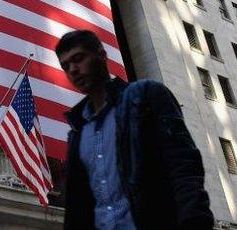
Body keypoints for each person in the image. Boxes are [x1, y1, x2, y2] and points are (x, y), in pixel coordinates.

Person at [56, 30, 214, 229]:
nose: (73, 70)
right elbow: (78, 208)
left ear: (101, 55)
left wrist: (194, 221)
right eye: (66, 66)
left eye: (78, 59)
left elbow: (183, 167)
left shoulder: (145, 97)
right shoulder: (78, 133)